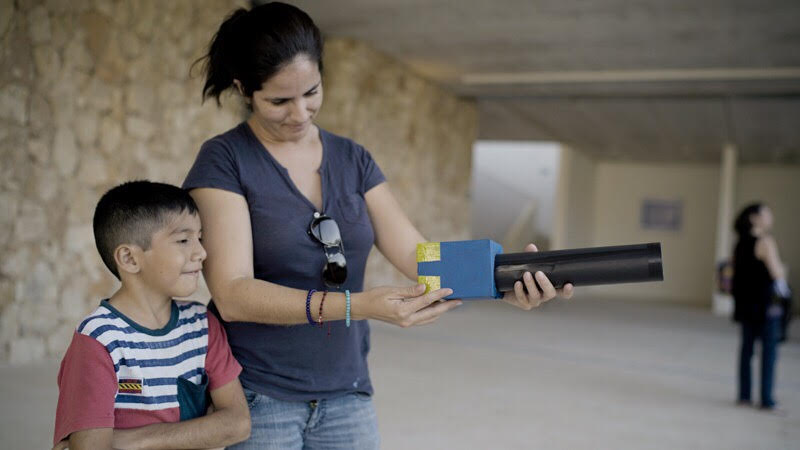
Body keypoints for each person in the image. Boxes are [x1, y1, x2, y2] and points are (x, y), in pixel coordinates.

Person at [184, 3, 574, 448]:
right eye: (279, 101)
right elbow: (233, 294)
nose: (301, 113)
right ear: (243, 89)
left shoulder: (354, 159)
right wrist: (358, 305)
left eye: (311, 92)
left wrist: (502, 282)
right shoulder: (225, 160)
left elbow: (418, 256)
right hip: (258, 394)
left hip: (347, 393)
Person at [52, 181, 251, 449]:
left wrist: (127, 440)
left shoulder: (202, 324)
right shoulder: (98, 340)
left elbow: (238, 423)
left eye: (200, 238)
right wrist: (204, 430)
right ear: (129, 259)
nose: (201, 252)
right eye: (183, 240)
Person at [732, 203, 788, 412]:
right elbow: (777, 272)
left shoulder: (739, 242)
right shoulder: (765, 241)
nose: (770, 217)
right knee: (769, 353)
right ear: (754, 217)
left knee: (746, 351)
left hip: (746, 305)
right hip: (766, 306)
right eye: (767, 214)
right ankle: (766, 399)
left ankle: (744, 396)